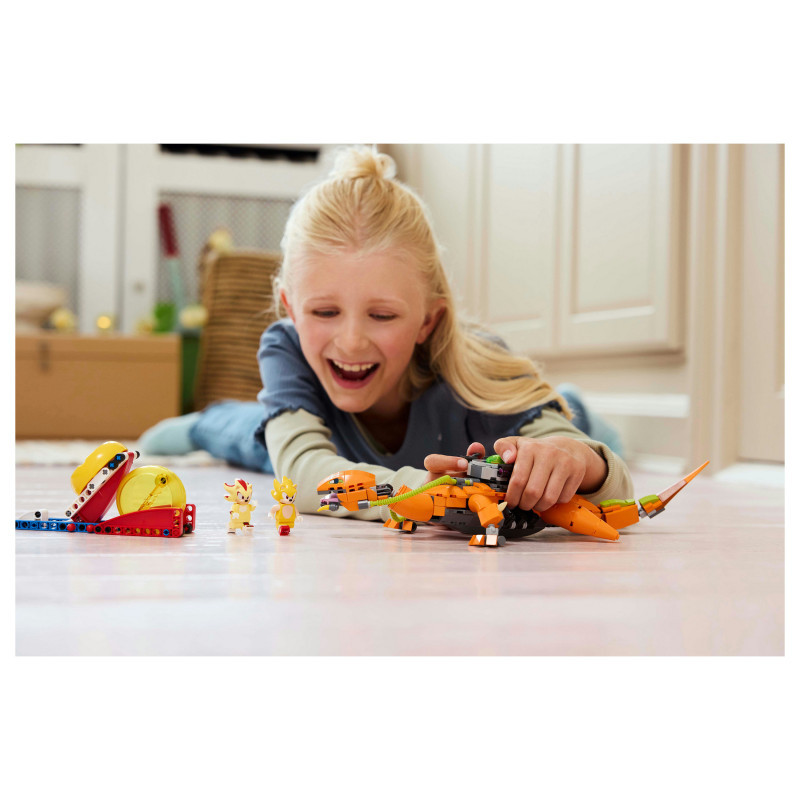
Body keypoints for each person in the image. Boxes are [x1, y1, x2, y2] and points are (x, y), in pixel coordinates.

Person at [139, 145, 632, 521]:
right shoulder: (288, 347)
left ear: (427, 322)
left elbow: (615, 487)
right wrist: (425, 494)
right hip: (317, 435)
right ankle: (200, 422)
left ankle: (574, 404)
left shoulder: (480, 369)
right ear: (291, 310)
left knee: (570, 421)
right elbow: (305, 475)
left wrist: (580, 459)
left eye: (382, 316)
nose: (352, 341)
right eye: (324, 311)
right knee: (251, 441)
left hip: (472, 406)